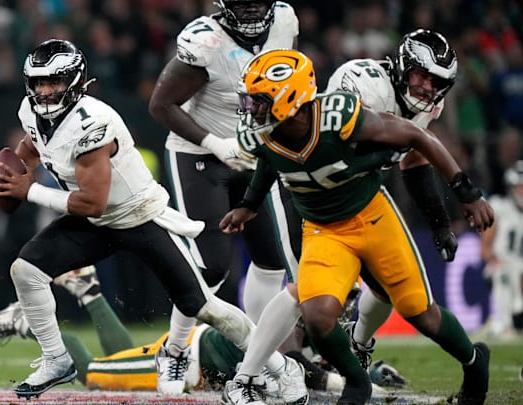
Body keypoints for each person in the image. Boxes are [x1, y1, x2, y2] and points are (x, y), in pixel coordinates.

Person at [0, 38, 307, 402]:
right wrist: (9, 170)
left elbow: (93, 202)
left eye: (54, 82)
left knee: (203, 307)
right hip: (95, 221)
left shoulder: (93, 124)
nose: (45, 92)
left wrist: (27, 190)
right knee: (26, 270)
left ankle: (283, 367)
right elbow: (33, 146)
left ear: (75, 82)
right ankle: (57, 359)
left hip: (136, 216)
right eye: (39, 83)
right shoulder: (31, 111)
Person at [220, 48, 493, 405]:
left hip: (373, 218)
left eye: (258, 101)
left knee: (420, 313)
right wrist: (248, 205)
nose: (250, 109)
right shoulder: (263, 135)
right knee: (317, 317)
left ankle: (474, 362)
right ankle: (356, 380)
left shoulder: (338, 116)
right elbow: (271, 162)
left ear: (289, 99)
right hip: (322, 229)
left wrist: (465, 191)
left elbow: (418, 138)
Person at [148, 1, 304, 393]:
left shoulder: (284, 20)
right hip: (199, 154)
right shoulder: (206, 40)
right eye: (242, 2)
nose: (252, 11)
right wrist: (217, 144)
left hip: (256, 153)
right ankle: (175, 349)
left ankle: (254, 355)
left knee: (271, 260)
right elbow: (160, 104)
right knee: (213, 265)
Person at [0, 267, 407, 396]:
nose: (343, 305)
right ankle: (25, 323)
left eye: (349, 297)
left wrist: (371, 373)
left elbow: (326, 363)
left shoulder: (319, 320)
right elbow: (300, 368)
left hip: (200, 364)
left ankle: (88, 291)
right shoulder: (293, 317)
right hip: (193, 362)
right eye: (342, 295)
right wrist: (360, 384)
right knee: (91, 374)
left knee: (118, 364)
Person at [326, 28, 462, 369]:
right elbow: (342, 150)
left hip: (363, 195)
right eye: (422, 75)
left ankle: (358, 344)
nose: (427, 88)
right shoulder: (361, 80)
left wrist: (440, 222)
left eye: (436, 82)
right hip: (314, 192)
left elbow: (413, 161)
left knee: (387, 288)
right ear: (403, 65)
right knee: (314, 293)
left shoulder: (430, 105)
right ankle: (276, 364)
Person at [480, 160, 523, 339]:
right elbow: (484, 248)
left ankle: (503, 324)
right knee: (503, 271)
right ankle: (505, 325)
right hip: (503, 266)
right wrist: (494, 260)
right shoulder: (500, 207)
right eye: (519, 186)